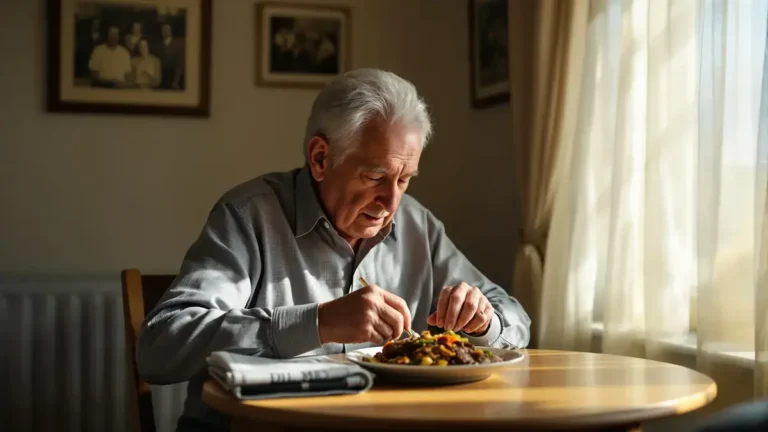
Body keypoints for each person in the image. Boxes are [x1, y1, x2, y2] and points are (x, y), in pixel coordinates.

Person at [136, 68, 531, 431]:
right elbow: (160, 346)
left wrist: (483, 322)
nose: (390, 203)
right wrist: (317, 323)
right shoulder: (248, 216)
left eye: (405, 180)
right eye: (375, 176)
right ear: (320, 158)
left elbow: (516, 319)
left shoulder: (416, 224)